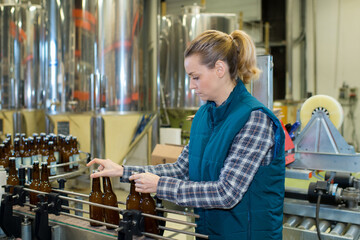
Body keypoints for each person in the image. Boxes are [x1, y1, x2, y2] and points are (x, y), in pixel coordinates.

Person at [87, 29, 285, 240]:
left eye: (196, 77)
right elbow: (182, 169)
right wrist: (123, 171)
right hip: (208, 233)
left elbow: (227, 193)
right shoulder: (203, 115)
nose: (191, 86)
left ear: (219, 68)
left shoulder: (254, 118)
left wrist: (160, 186)